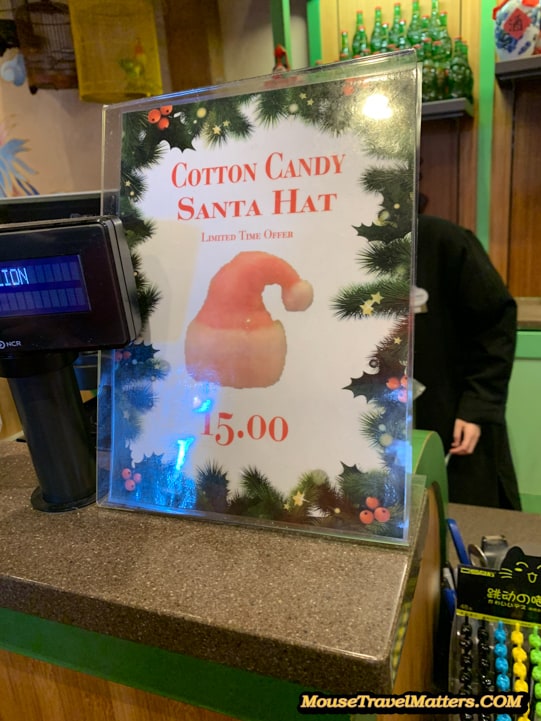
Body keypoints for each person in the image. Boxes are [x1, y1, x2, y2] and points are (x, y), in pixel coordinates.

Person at [413, 213, 521, 510]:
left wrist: (478, 406)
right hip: (379, 417)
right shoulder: (347, 245)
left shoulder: (443, 240)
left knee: (466, 519)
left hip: (453, 412)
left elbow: (495, 324)